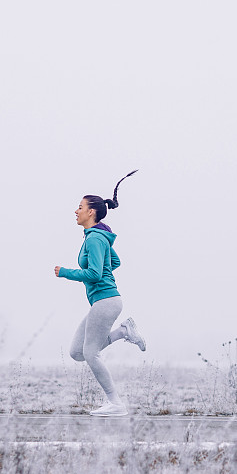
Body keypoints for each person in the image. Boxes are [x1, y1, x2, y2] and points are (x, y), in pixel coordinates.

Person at [54, 171, 147, 417]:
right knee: (77, 353)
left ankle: (116, 403)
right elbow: (114, 262)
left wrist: (65, 272)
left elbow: (95, 274)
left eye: (80, 207)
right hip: (104, 301)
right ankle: (123, 332)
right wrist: (101, 266)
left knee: (90, 353)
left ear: (91, 212)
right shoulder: (96, 238)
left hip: (106, 300)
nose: (76, 211)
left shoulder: (94, 238)